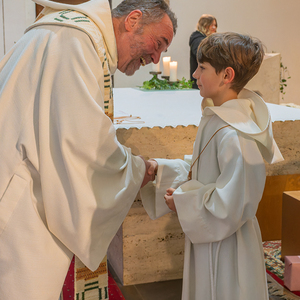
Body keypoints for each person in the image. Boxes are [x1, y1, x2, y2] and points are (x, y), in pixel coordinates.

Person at [0, 0, 176, 299]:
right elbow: (82, 143)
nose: (157, 57)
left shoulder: (72, 34)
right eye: (158, 43)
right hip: (23, 201)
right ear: (133, 20)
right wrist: (135, 170)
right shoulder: (76, 42)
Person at [141, 32, 284, 300]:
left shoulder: (236, 132)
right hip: (214, 239)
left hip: (228, 248)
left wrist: (182, 202)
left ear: (226, 75)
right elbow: (205, 170)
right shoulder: (217, 116)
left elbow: (234, 202)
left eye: (202, 68)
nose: (194, 74)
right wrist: (161, 168)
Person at [189, 14, 217, 89]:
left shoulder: (205, 39)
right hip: (200, 81)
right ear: (205, 25)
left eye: (215, 25)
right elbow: (201, 56)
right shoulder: (198, 39)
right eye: (212, 25)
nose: (214, 27)